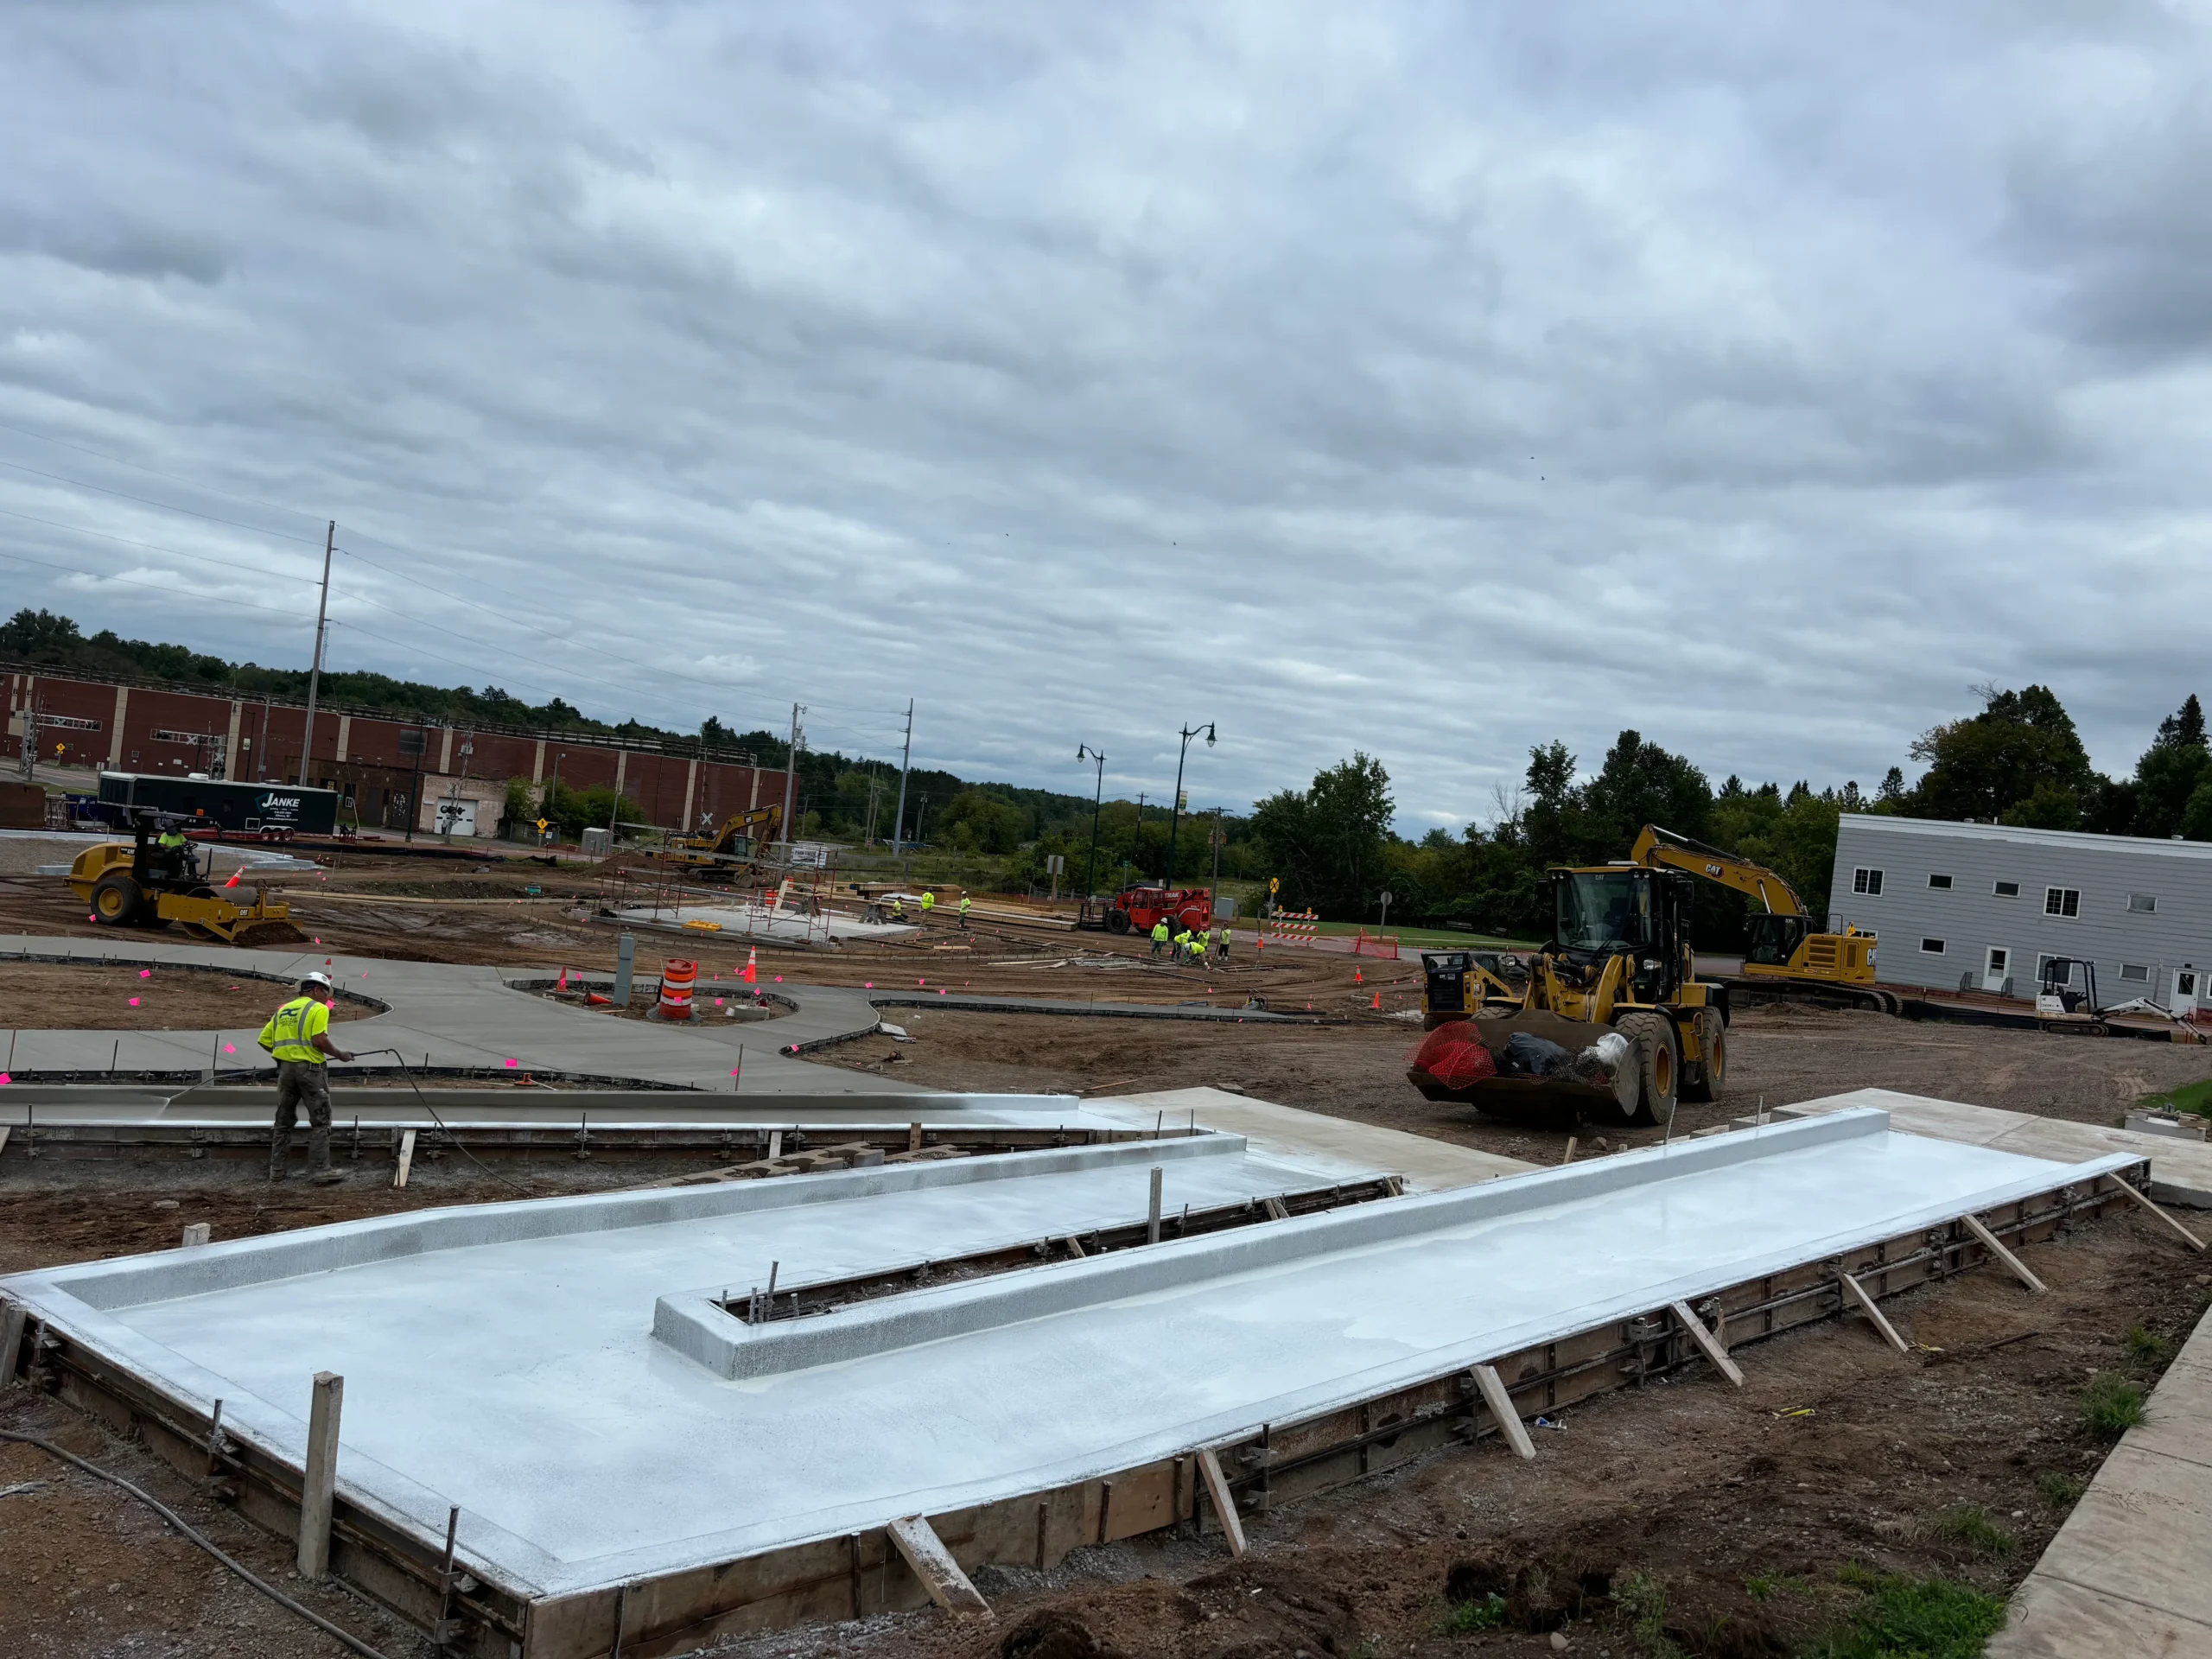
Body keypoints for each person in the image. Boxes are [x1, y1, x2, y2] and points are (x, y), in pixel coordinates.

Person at [260, 971, 356, 1184]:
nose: (327, 1000)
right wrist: (341, 1055)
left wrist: (288, 1056)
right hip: (310, 1071)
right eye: (326, 994)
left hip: (285, 1071)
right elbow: (319, 1041)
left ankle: (277, 1172)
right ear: (316, 990)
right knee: (321, 1120)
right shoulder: (318, 1008)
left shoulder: (283, 1010)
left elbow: (265, 1040)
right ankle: (320, 1170)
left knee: (283, 1121)